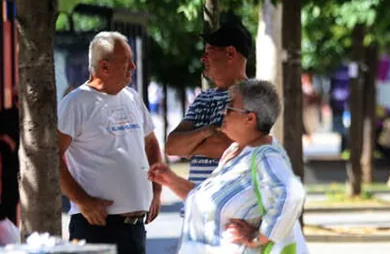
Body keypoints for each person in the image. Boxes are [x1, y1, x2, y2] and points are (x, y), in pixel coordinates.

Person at [149, 79, 308, 253]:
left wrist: (258, 237)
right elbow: (208, 199)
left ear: (250, 118)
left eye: (230, 108)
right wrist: (171, 180)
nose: (223, 112)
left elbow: (291, 194)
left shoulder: (266, 156)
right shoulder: (235, 150)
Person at [58, 32, 163, 254]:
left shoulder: (132, 96)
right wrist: (82, 201)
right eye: (126, 61)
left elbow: (151, 143)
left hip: (134, 230)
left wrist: (157, 189)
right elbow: (52, 159)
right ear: (104, 67)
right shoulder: (76, 103)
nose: (133, 66)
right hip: (95, 227)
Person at [165, 19, 251, 200]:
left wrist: (188, 147)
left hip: (232, 212)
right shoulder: (204, 98)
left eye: (208, 52)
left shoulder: (252, 94)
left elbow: (225, 145)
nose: (203, 59)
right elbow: (171, 146)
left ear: (230, 53)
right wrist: (206, 132)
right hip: (198, 211)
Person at [0, 89, 19, 224]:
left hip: (26, 164)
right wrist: (6, 139)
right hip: (10, 166)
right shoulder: (6, 115)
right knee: (10, 200)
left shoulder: (31, 118)